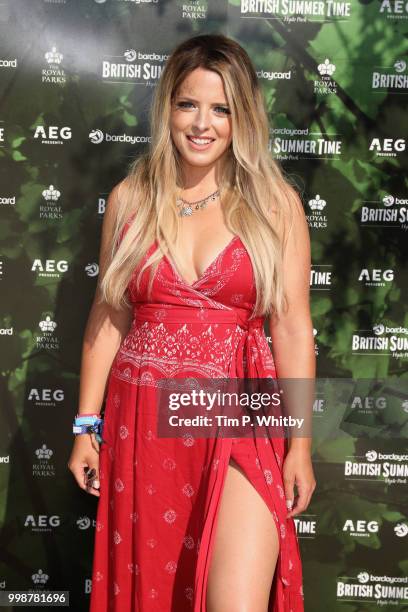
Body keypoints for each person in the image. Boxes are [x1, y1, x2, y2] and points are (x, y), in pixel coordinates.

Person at [68, 33, 316, 612]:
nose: (202, 123)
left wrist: (299, 446)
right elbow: (107, 320)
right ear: (168, 110)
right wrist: (86, 423)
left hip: (238, 418)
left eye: (221, 109)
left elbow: (293, 328)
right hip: (141, 420)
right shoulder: (131, 198)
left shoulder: (274, 204)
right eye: (188, 105)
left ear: (242, 118)